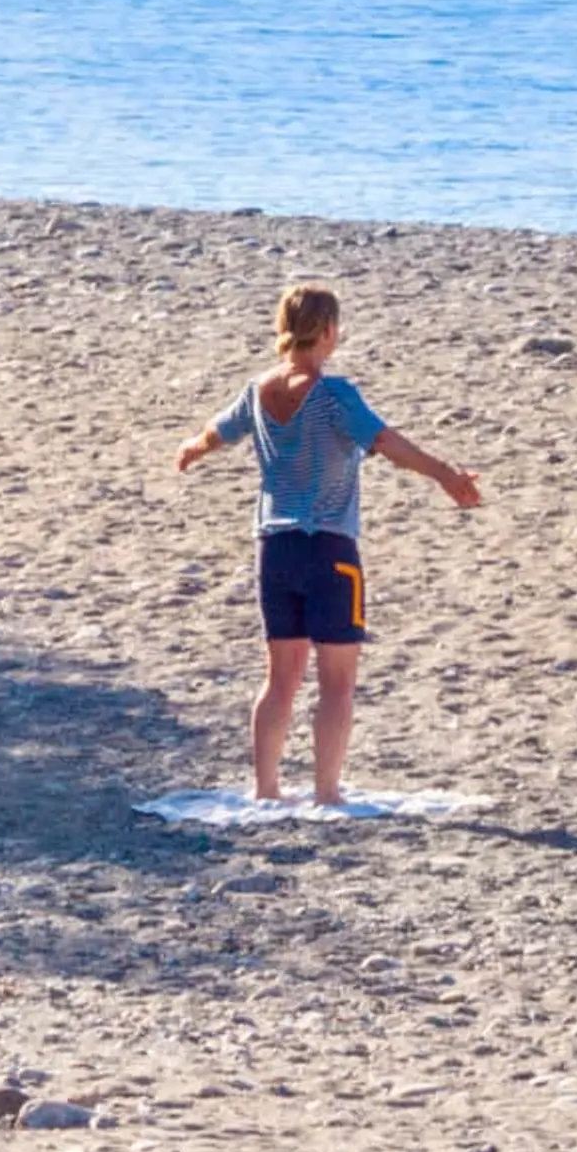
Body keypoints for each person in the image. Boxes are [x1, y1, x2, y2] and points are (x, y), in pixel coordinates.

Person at [174, 280, 481, 806]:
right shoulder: (335, 395)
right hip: (330, 550)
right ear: (330, 331)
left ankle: (266, 788)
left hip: (275, 548)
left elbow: (214, 433)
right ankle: (325, 791)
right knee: (337, 681)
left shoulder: (258, 392)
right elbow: (384, 441)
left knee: (281, 679)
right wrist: (445, 475)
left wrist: (189, 450)